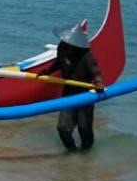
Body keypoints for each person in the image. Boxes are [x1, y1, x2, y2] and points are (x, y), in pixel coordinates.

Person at [44, 22, 106, 152]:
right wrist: (47, 72)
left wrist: (99, 82)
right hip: (69, 92)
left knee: (84, 128)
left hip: (85, 95)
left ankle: (86, 155)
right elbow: (58, 63)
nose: (65, 45)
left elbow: (96, 71)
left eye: (69, 44)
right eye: (65, 42)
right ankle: (72, 152)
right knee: (62, 128)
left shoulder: (86, 55)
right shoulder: (62, 48)